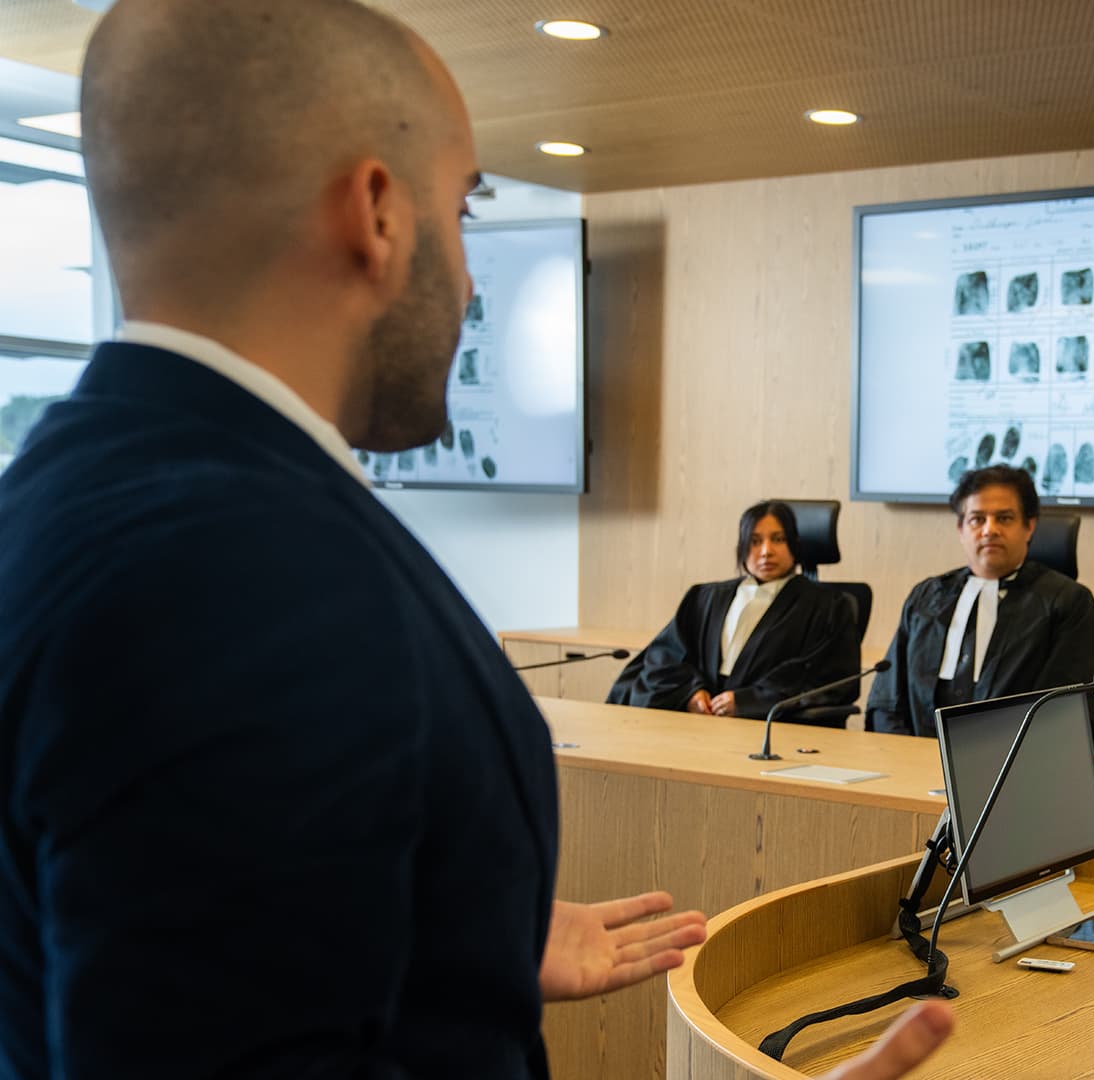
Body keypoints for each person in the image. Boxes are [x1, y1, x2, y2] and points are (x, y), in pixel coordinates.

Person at [0, 2, 947, 1078]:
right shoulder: (242, 574)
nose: (466, 277)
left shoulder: (66, 491)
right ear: (375, 212)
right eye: (464, 211)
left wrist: (437, 929)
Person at [866, 464, 1094, 756]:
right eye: (977, 519)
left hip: (1016, 773)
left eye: (1004, 518)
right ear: (960, 528)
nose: (989, 530)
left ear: (1029, 526)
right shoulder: (927, 597)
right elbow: (887, 702)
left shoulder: (1067, 602)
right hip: (916, 767)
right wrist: (904, 759)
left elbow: (1066, 715)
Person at [607, 500, 860, 720]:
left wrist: (748, 701)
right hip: (698, 721)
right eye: (755, 541)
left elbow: (823, 677)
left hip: (768, 728)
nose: (766, 551)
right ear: (741, 548)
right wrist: (691, 693)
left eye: (778, 539)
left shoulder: (828, 607)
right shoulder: (706, 598)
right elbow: (665, 657)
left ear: (795, 545)